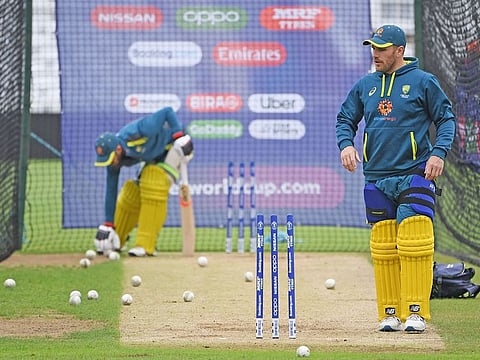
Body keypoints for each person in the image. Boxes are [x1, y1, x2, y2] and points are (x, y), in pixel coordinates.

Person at [336, 25, 455, 332]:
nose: (375, 53)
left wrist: (438, 152)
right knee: (385, 245)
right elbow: (345, 119)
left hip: (414, 172)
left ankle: (416, 311)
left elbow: (445, 118)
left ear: (399, 51)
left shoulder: (423, 82)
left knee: (415, 240)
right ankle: (390, 313)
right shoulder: (366, 85)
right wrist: (346, 144)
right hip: (376, 177)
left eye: (382, 48)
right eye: (373, 47)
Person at [93, 107, 193, 257]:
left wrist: (179, 135)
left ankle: (146, 245)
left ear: (118, 149)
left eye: (110, 158)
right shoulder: (114, 162)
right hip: (154, 155)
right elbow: (111, 190)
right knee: (131, 193)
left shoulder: (139, 131)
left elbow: (167, 112)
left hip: (177, 146)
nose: (110, 163)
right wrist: (108, 224)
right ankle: (117, 239)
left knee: (153, 181)